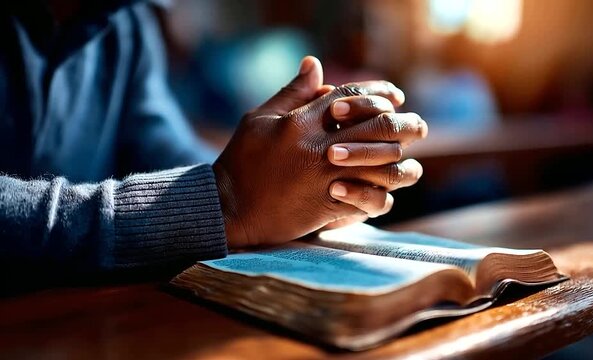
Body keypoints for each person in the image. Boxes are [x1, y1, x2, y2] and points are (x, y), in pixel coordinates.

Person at [0, 1, 427, 286]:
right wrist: (228, 203)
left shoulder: (128, 23)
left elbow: (163, 146)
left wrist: (294, 185)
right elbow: (223, 194)